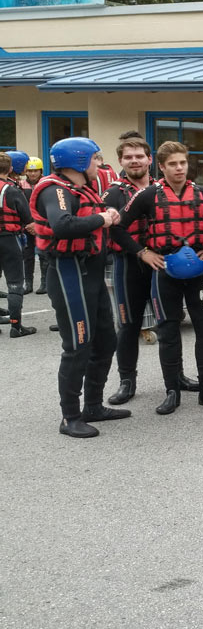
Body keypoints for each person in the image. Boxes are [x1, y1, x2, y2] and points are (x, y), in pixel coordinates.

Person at [112, 141, 203, 414]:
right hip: (165, 272)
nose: (179, 168)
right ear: (161, 167)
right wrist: (142, 252)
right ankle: (171, 391)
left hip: (198, 273)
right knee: (167, 331)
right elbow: (117, 228)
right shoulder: (148, 196)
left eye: (183, 163)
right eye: (173, 164)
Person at [30, 137, 126, 437]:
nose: (100, 164)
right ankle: (70, 416)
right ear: (79, 160)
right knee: (78, 345)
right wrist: (103, 217)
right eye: (96, 158)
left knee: (107, 340)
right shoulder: (55, 189)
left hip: (92, 270)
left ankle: (93, 406)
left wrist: (106, 217)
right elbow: (62, 225)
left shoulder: (80, 188)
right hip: (69, 269)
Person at [104, 137, 193, 406]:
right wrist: (141, 252)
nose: (135, 161)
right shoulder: (113, 193)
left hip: (164, 265)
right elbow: (113, 229)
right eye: (129, 157)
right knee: (129, 325)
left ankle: (177, 375)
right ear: (121, 161)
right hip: (130, 264)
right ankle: (127, 381)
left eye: (140, 156)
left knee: (170, 321)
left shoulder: (162, 188)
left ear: (150, 159)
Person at [0, 152, 35, 335]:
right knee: (14, 282)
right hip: (8, 238)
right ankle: (16, 325)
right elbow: (27, 218)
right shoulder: (12, 190)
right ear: (11, 169)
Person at [21, 157, 45, 293]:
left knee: (43, 255)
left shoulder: (46, 183)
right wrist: (28, 224)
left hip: (42, 224)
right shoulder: (20, 185)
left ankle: (44, 283)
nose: (32, 174)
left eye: (35, 171)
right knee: (27, 255)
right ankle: (28, 283)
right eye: (30, 171)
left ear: (41, 171)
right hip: (27, 226)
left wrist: (37, 223)